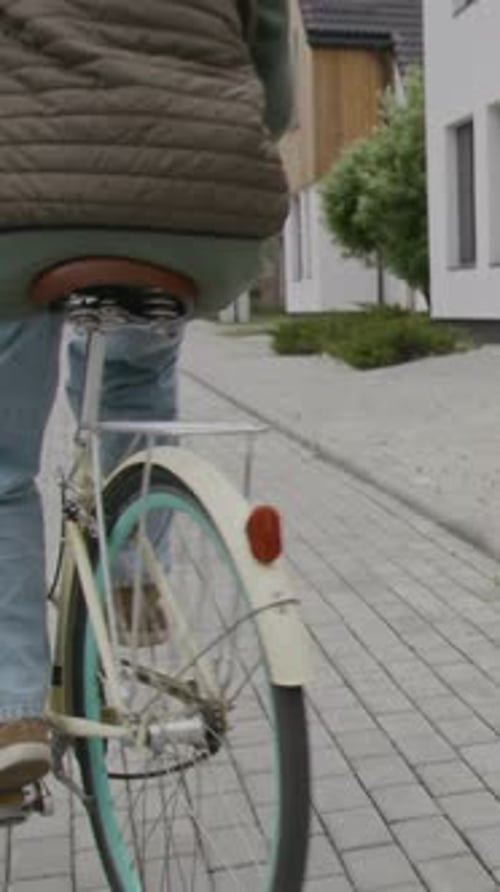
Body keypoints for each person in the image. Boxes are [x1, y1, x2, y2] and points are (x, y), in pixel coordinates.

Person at [0, 0, 291, 793]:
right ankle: (133, 575)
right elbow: (279, 91)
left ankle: (12, 707)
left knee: (2, 473)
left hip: (26, 207)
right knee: (132, 372)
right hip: (205, 212)